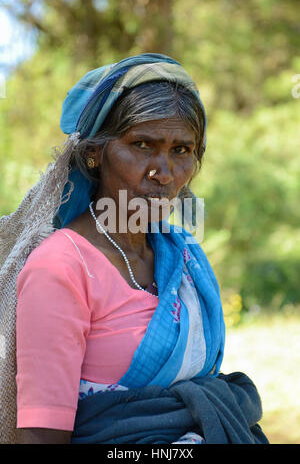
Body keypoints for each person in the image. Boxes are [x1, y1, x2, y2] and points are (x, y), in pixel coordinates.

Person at [0, 53, 268, 444]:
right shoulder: (61, 268)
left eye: (182, 150)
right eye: (142, 144)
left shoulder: (183, 256)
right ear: (95, 153)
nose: (164, 172)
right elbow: (41, 436)